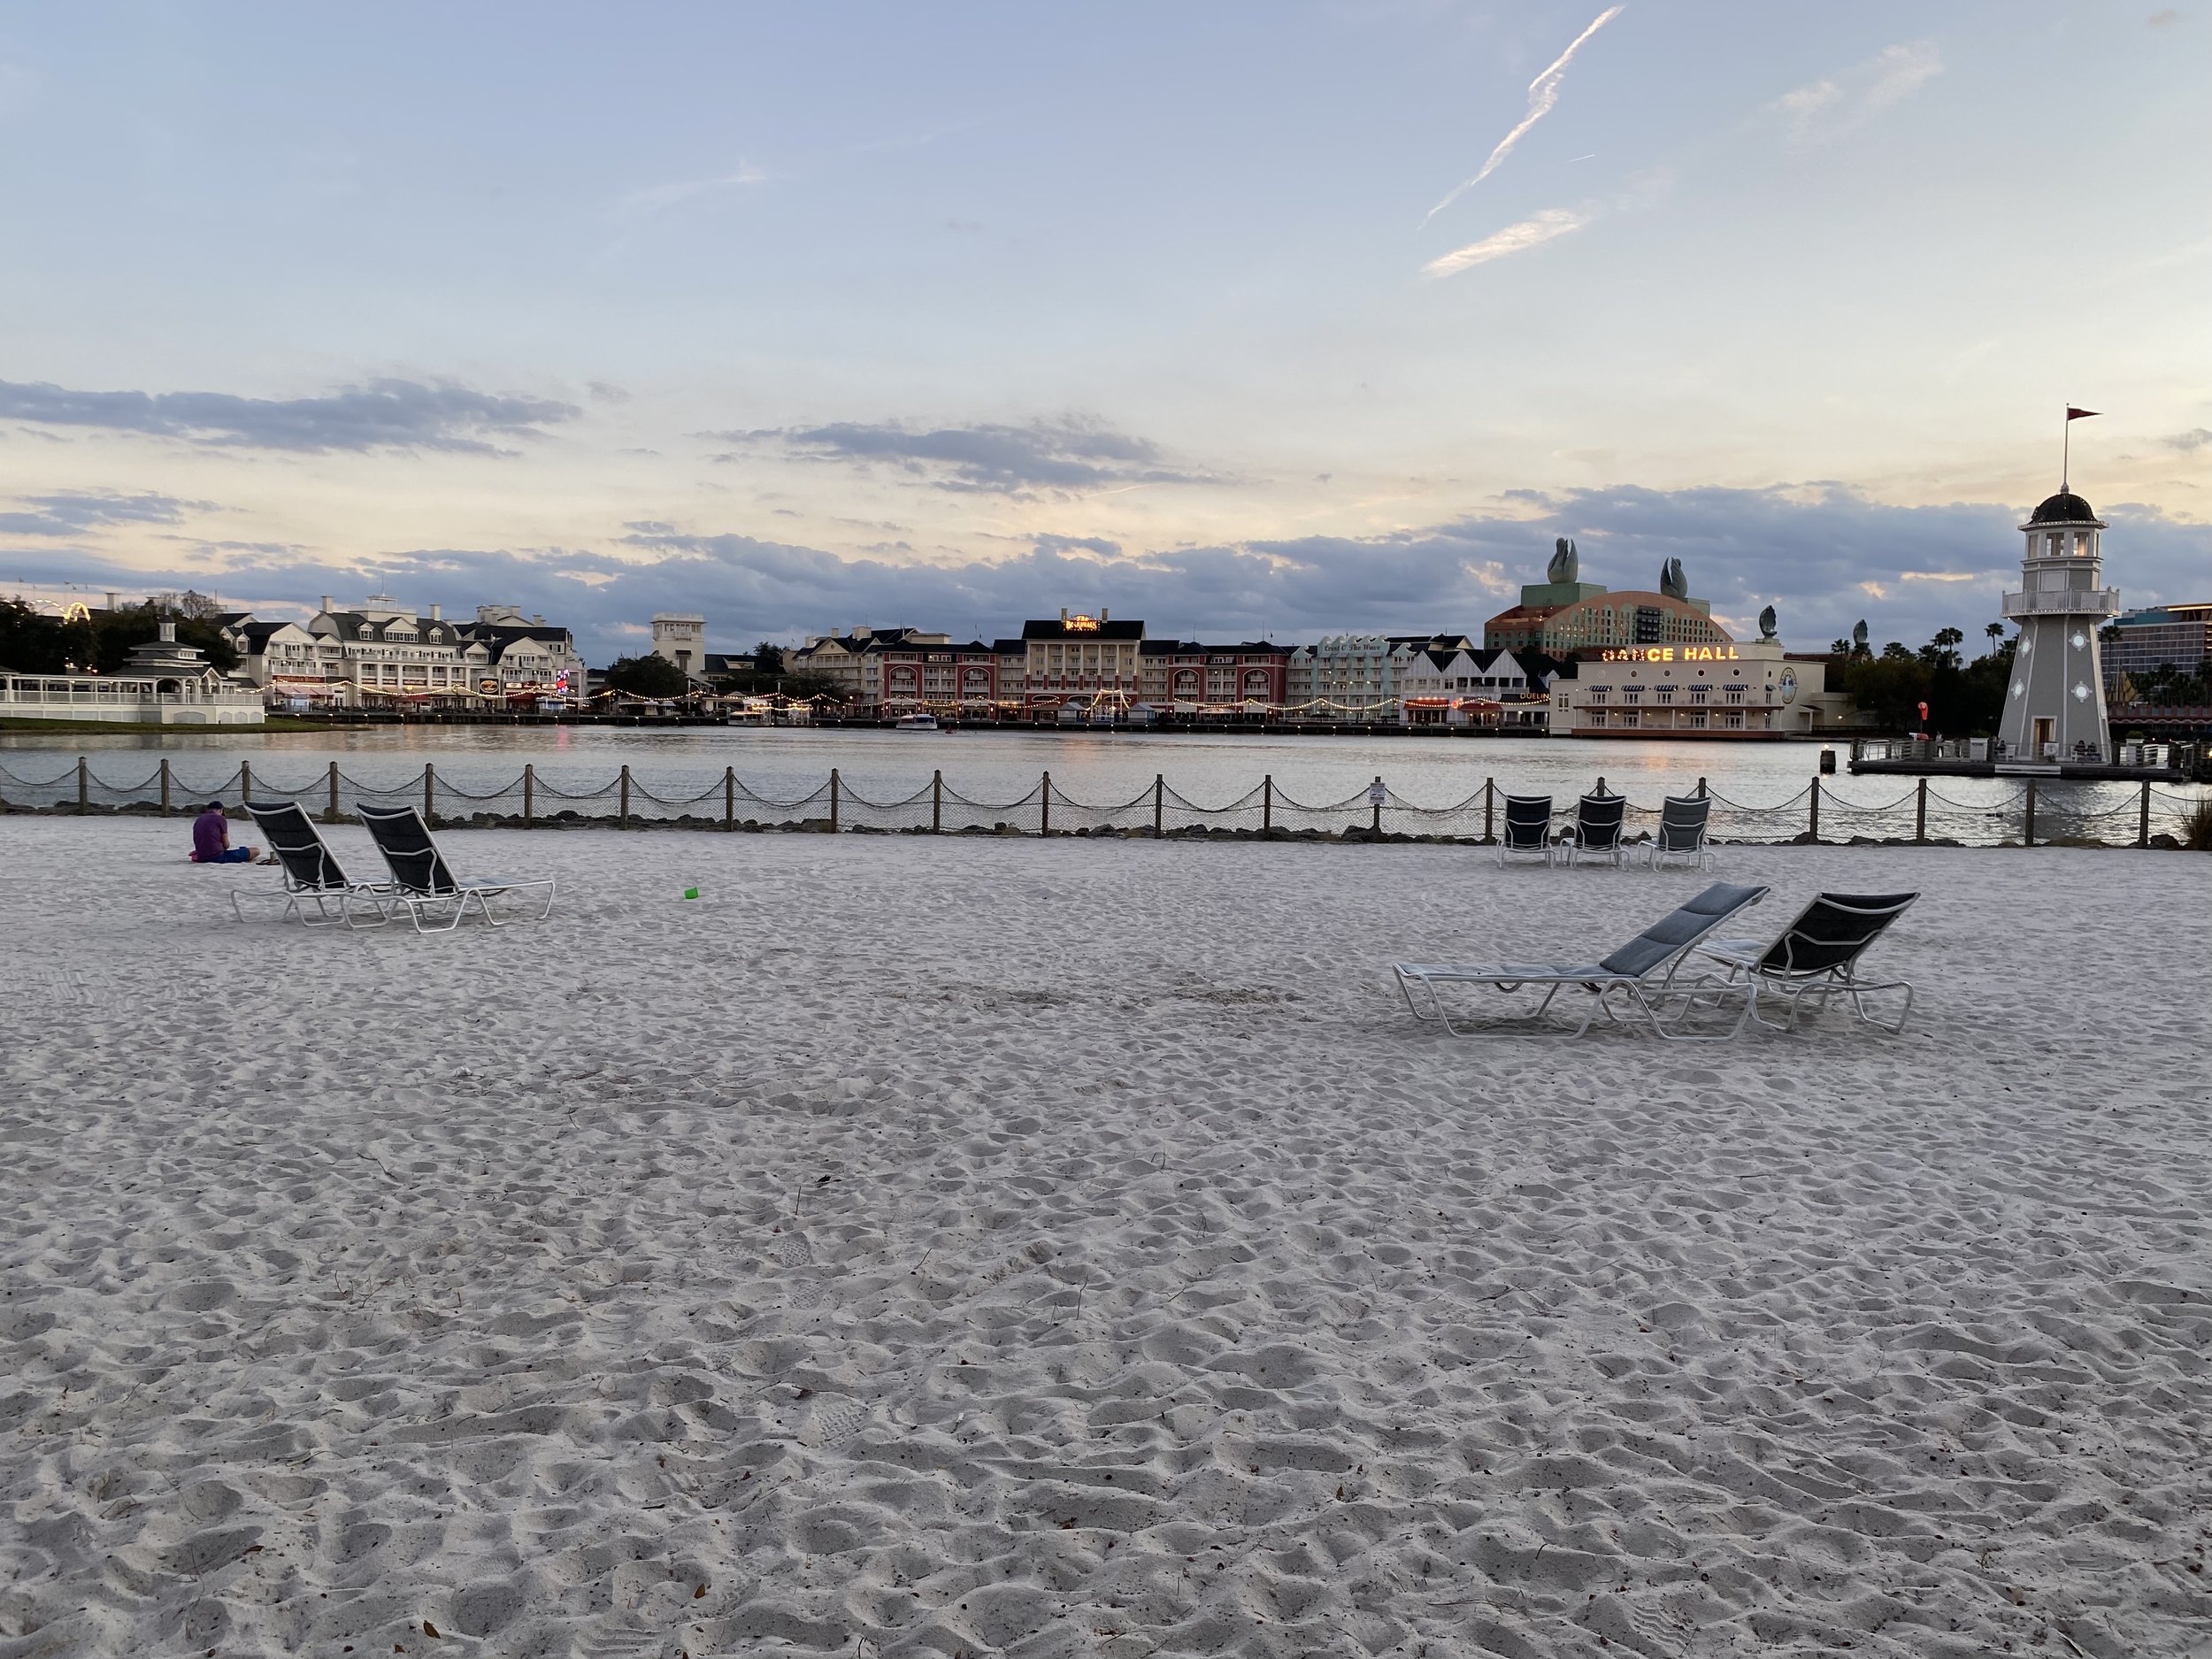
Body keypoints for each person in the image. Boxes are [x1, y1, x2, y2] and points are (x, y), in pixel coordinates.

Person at [190, 801, 265, 864]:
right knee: (256, 851)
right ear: (220, 810)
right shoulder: (220, 819)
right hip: (217, 857)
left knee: (243, 851)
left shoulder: (199, 819)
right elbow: (226, 845)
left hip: (201, 857)